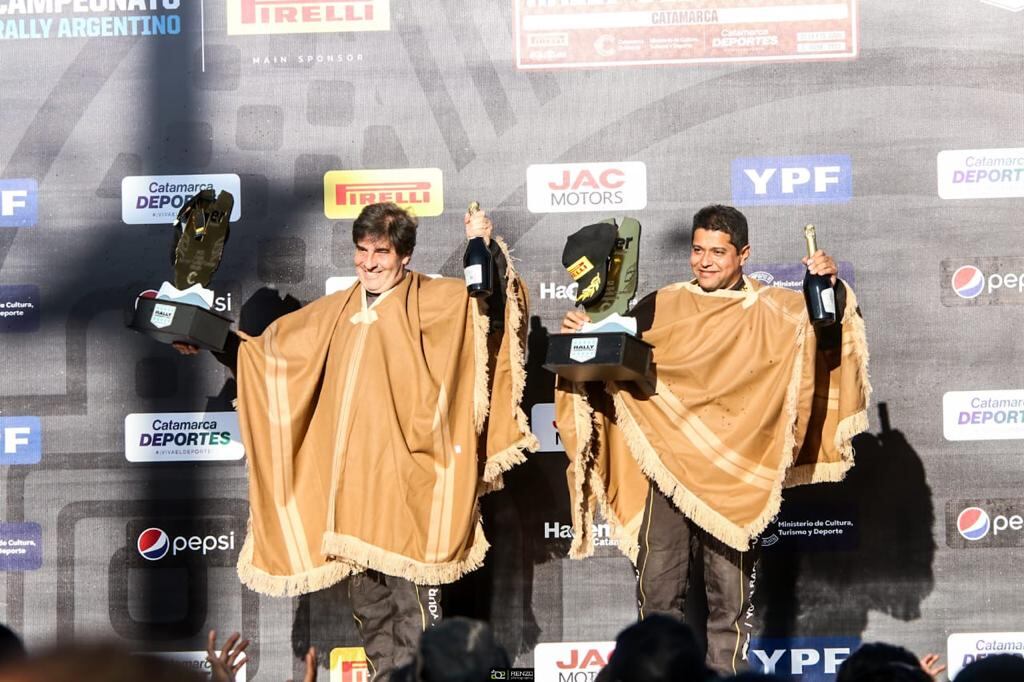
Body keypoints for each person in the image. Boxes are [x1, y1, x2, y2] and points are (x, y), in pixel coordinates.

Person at [175, 202, 537, 680]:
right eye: (361, 250)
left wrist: (482, 246)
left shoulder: (437, 299)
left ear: (404, 255)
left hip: (414, 491)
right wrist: (203, 335)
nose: (368, 262)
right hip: (356, 499)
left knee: (418, 620)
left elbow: (490, 306)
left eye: (381, 252)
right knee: (372, 614)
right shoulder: (333, 313)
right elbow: (267, 359)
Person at [556, 205, 871, 675]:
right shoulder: (662, 303)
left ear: (743, 254)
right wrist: (586, 333)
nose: (705, 261)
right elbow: (618, 353)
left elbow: (825, 327)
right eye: (698, 250)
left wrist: (831, 285)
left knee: (732, 601)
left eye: (718, 253)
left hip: (736, 479)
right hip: (667, 470)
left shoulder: (771, 305)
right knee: (657, 593)